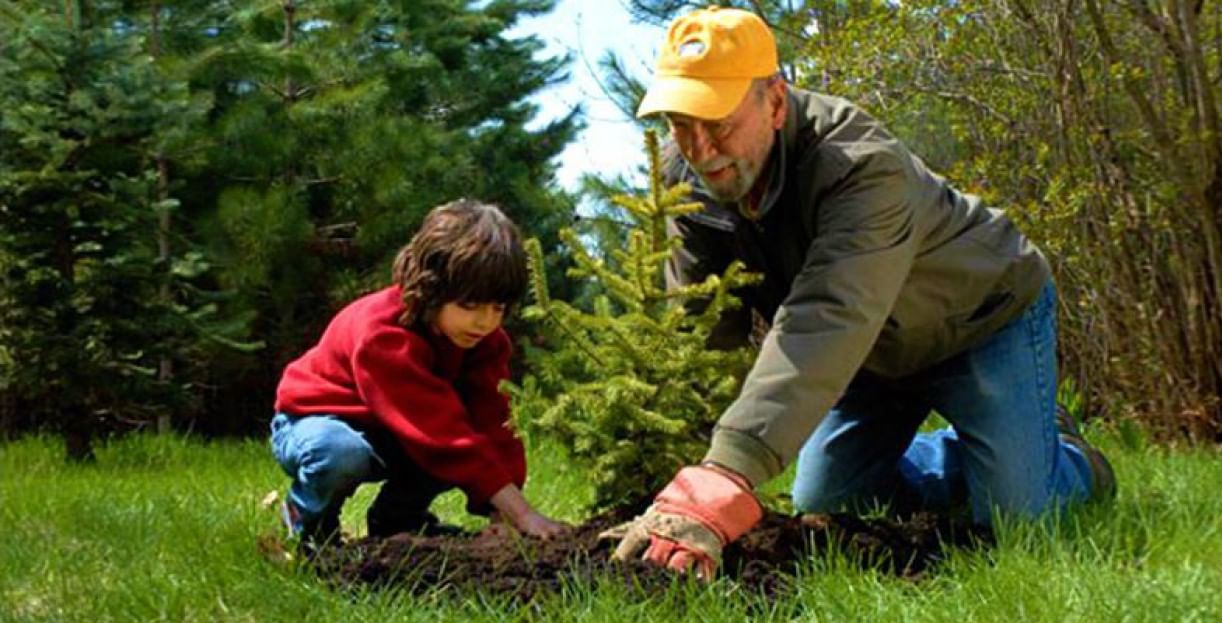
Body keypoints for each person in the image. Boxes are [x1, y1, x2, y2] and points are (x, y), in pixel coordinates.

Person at [612, 7, 1116, 578]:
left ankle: (1069, 457)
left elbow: (829, 313)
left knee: (1017, 518)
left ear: (775, 102)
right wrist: (685, 464)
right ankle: (980, 452)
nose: (701, 150)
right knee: (829, 506)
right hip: (870, 356)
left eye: (719, 124)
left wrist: (731, 469)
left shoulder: (858, 167)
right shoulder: (689, 179)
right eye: (682, 123)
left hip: (979, 322)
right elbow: (702, 331)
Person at [271, 199, 568, 552]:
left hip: (401, 430)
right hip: (317, 422)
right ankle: (307, 522)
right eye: (469, 306)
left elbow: (495, 424)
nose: (485, 321)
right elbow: (439, 434)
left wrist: (501, 515)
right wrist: (523, 513)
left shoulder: (485, 343)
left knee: (459, 449)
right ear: (431, 289)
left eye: (498, 308)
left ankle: (397, 524)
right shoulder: (383, 334)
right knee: (340, 454)